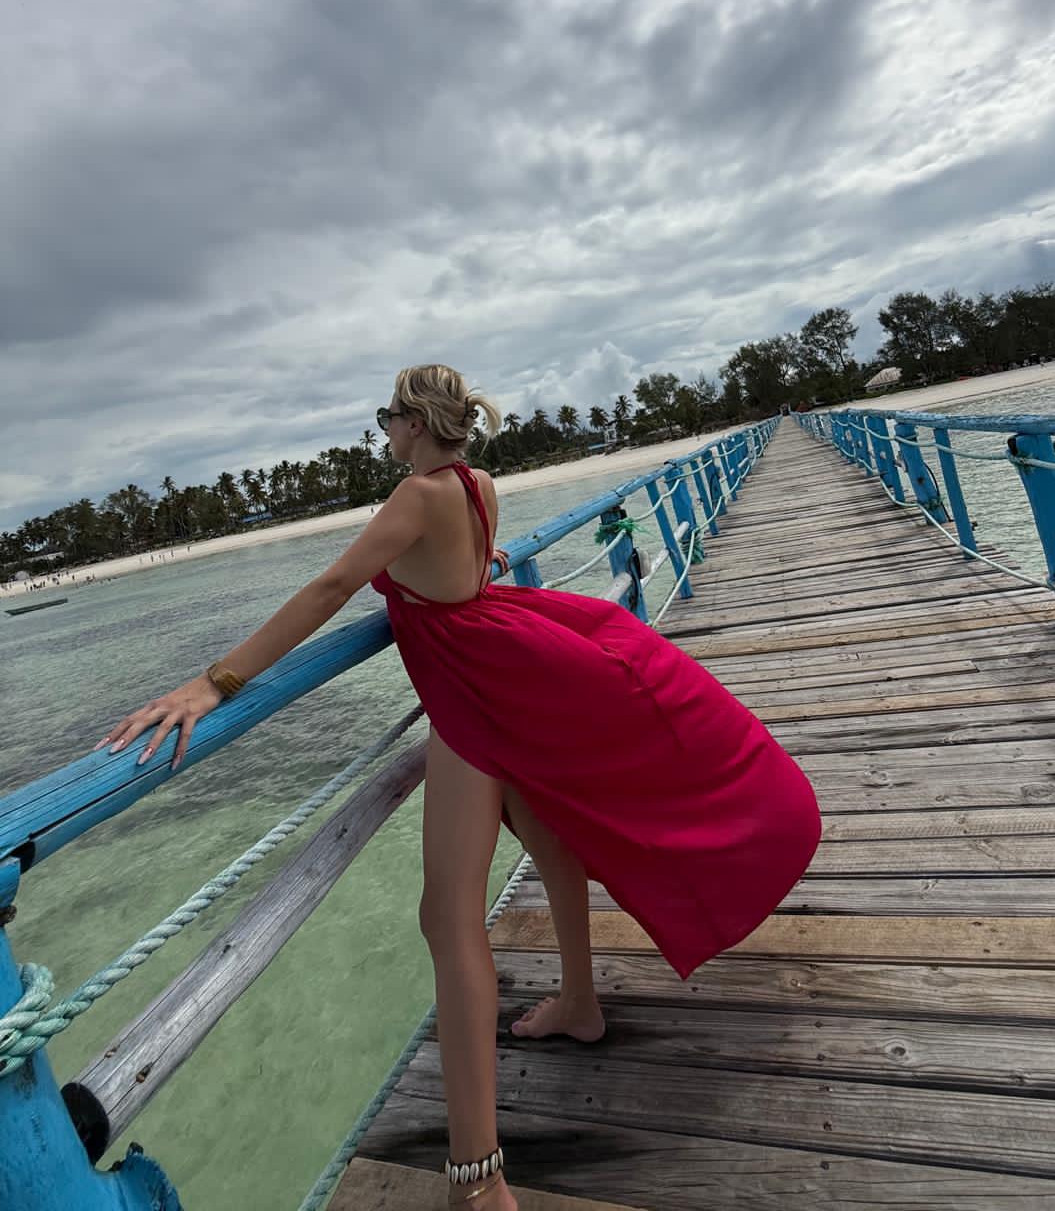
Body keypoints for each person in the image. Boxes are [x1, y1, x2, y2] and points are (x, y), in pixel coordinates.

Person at [98, 364, 822, 1208]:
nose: (385, 433)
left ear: (413, 422)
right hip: (500, 671)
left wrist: (214, 683)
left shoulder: (416, 498)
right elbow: (466, 570)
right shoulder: (477, 483)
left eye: (387, 418)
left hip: (477, 695)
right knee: (552, 841)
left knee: (447, 917)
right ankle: (580, 1002)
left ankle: (478, 1177)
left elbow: (332, 587)